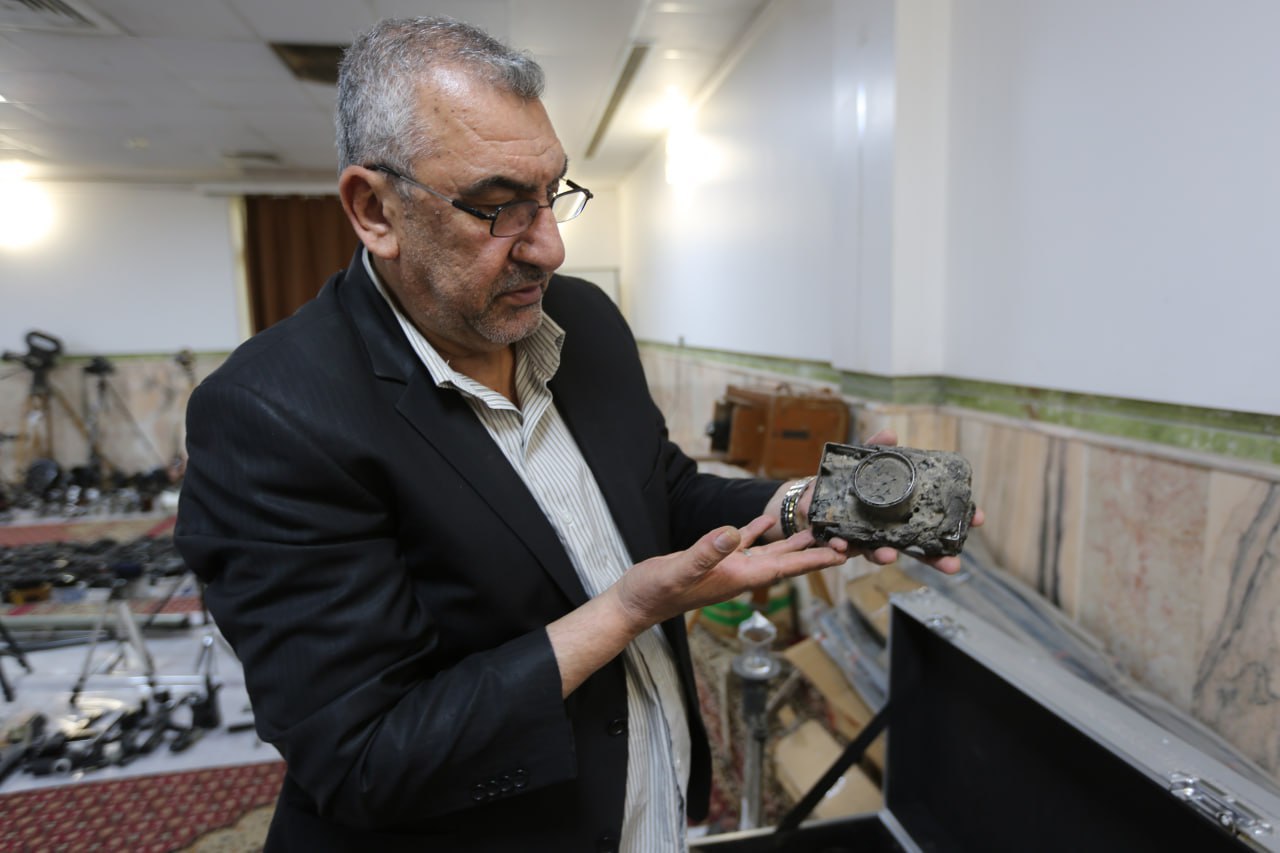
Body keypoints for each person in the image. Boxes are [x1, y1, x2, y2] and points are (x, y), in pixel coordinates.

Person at [175, 16, 978, 853]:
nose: (551, 247)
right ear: (374, 209)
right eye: (496, 207)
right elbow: (367, 758)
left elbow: (660, 490)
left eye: (552, 193)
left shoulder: (583, 319)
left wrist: (798, 504)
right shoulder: (271, 414)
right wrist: (624, 612)